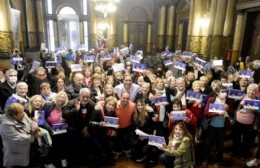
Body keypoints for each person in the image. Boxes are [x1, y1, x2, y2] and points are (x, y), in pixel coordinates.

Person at [0, 103, 40, 167]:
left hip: (28, 147)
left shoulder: (23, 114)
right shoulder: (5, 124)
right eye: (21, 113)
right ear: (14, 115)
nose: (23, 114)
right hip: (17, 151)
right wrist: (34, 137)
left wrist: (34, 128)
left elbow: (31, 122)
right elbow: (18, 138)